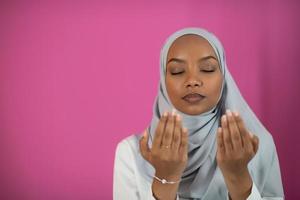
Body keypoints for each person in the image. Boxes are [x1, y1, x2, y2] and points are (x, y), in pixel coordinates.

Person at [113, 27, 284, 200]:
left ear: (223, 76)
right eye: (177, 71)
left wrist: (239, 178)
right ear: (164, 81)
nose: (192, 81)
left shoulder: (255, 146)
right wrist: (166, 178)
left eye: (207, 69)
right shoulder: (131, 153)